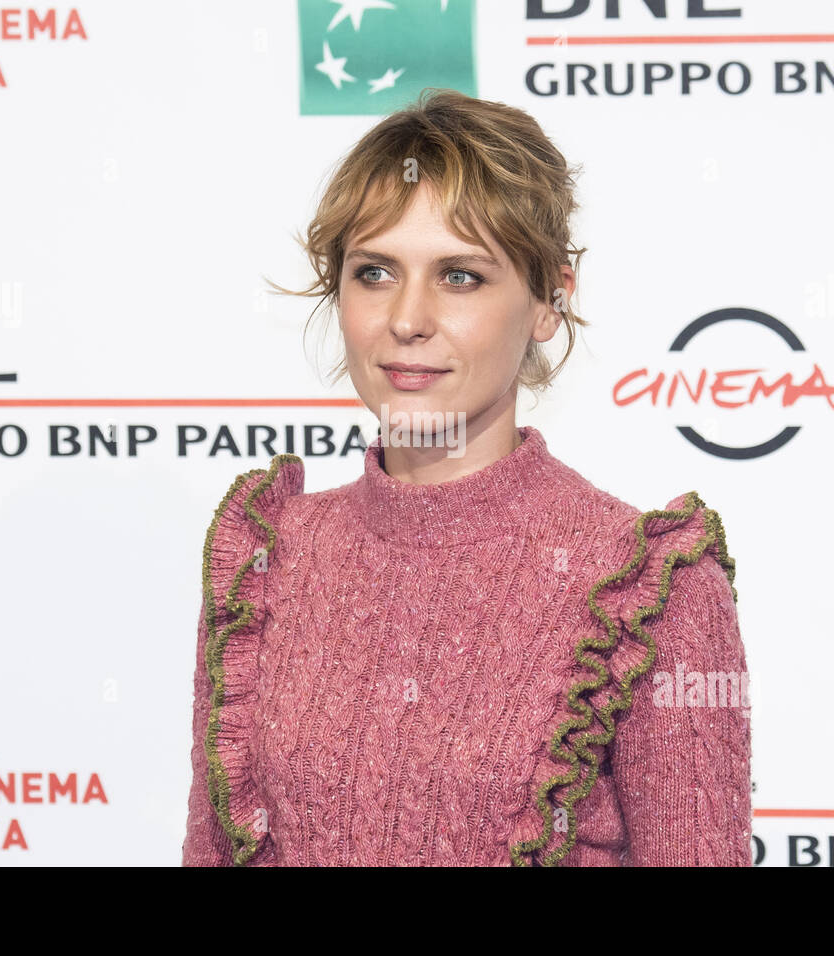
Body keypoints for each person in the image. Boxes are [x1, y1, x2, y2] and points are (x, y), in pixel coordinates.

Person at [182, 88, 751, 867]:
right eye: (374, 271)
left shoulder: (647, 585)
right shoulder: (266, 556)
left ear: (550, 298)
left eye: (461, 277)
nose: (408, 317)